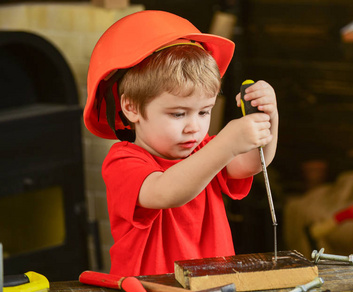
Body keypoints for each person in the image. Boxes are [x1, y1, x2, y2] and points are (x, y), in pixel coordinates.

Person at [83, 10, 279, 276]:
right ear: (131, 107)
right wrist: (225, 144)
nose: (194, 127)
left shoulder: (205, 149)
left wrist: (269, 118)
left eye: (204, 112)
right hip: (151, 291)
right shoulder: (123, 162)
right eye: (178, 114)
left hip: (212, 287)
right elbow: (167, 192)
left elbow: (254, 163)